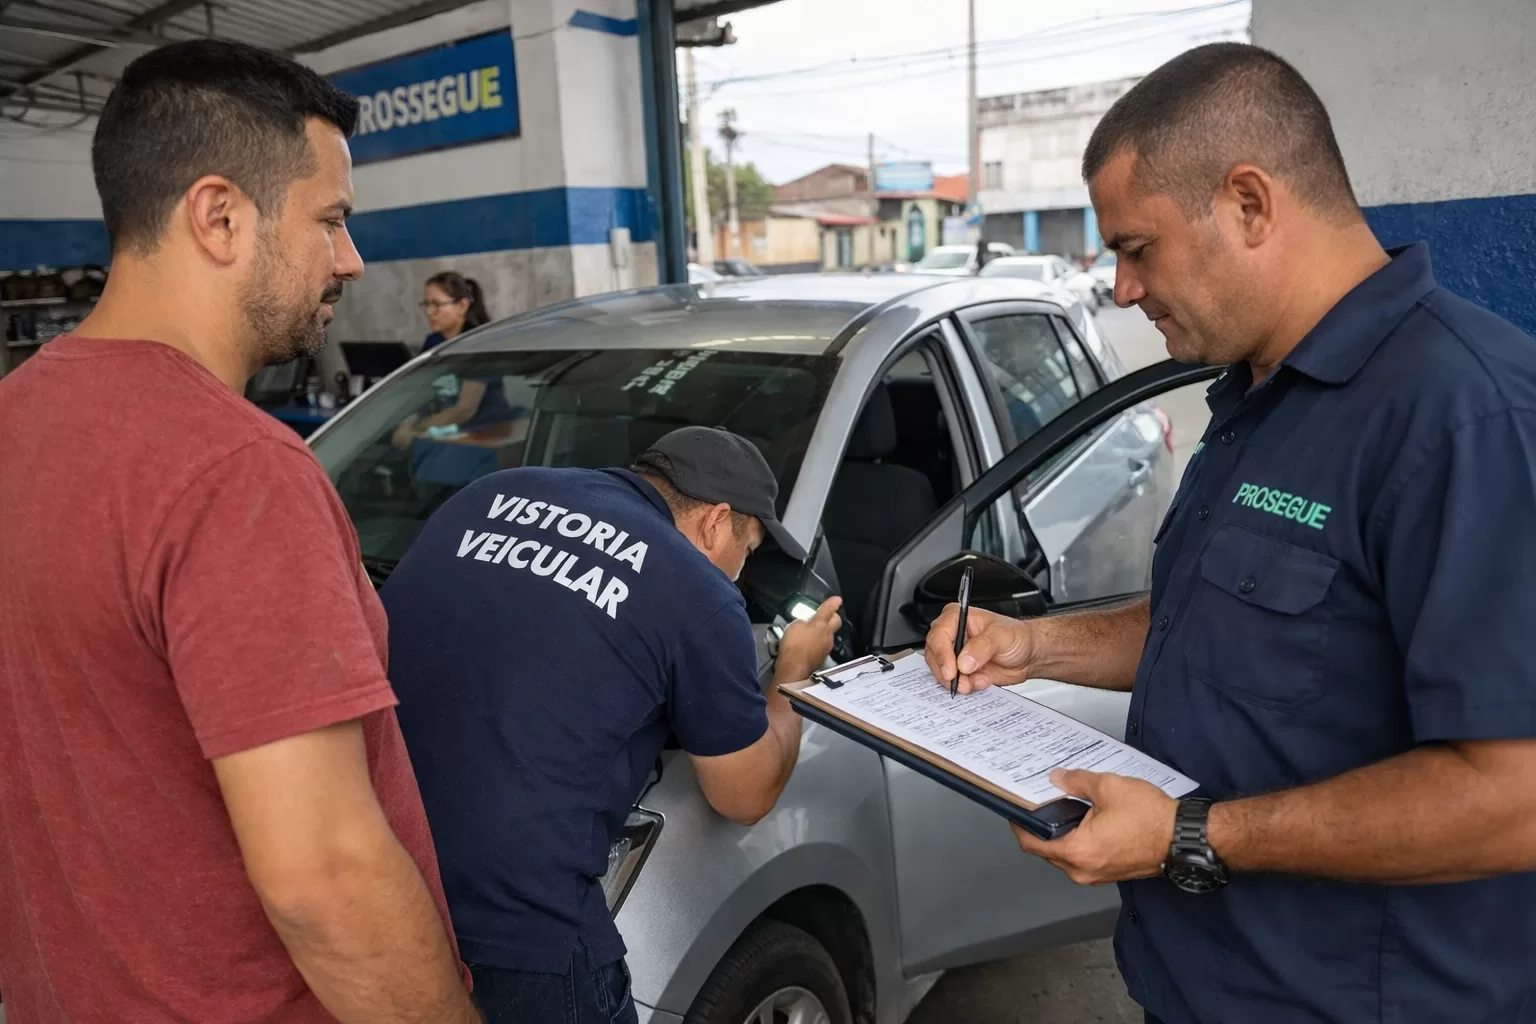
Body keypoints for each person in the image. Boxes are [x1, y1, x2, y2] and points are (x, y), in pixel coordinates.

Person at [925, 42, 1536, 1024]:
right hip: (1196, 981)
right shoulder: (1259, 397)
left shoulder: (1467, 420)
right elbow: (1219, 622)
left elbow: (1516, 795)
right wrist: (1031, 645)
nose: (1121, 289)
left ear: (1248, 203)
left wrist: (1192, 832)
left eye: (1136, 247)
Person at [0, 40, 477, 1024]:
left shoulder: (17, 418)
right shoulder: (237, 473)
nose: (352, 259)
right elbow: (326, 878)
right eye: (331, 220)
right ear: (219, 216)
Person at [382, 427, 842, 1023]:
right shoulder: (699, 591)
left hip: (377, 874)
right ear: (716, 521)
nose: (738, 574)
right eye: (747, 551)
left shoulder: (489, 493)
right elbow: (745, 794)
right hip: (518, 926)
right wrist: (794, 669)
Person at [392, 270, 519, 448]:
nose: (429, 312)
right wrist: (406, 422)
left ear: (462, 306)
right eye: (426, 304)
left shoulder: (479, 345)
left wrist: (417, 428)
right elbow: (421, 391)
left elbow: (465, 410)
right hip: (444, 429)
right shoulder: (433, 342)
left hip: (483, 434)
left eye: (436, 304)